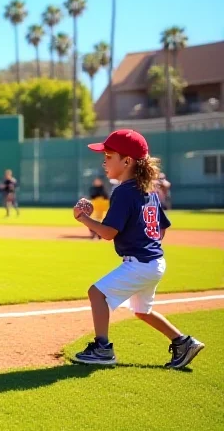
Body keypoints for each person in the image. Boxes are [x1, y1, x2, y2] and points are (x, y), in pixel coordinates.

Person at [72, 129, 205, 369]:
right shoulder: (147, 190)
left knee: (96, 293)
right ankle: (183, 342)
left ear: (127, 161)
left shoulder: (123, 191)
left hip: (141, 264)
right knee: (142, 311)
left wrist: (83, 218)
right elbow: (161, 229)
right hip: (154, 261)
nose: (104, 161)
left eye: (109, 156)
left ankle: (102, 349)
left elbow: (108, 233)